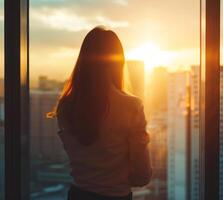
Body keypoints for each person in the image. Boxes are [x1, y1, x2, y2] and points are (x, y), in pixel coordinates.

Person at [51, 27, 152, 200]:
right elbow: (142, 174)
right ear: (118, 62)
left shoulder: (66, 106)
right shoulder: (131, 107)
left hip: (78, 195)